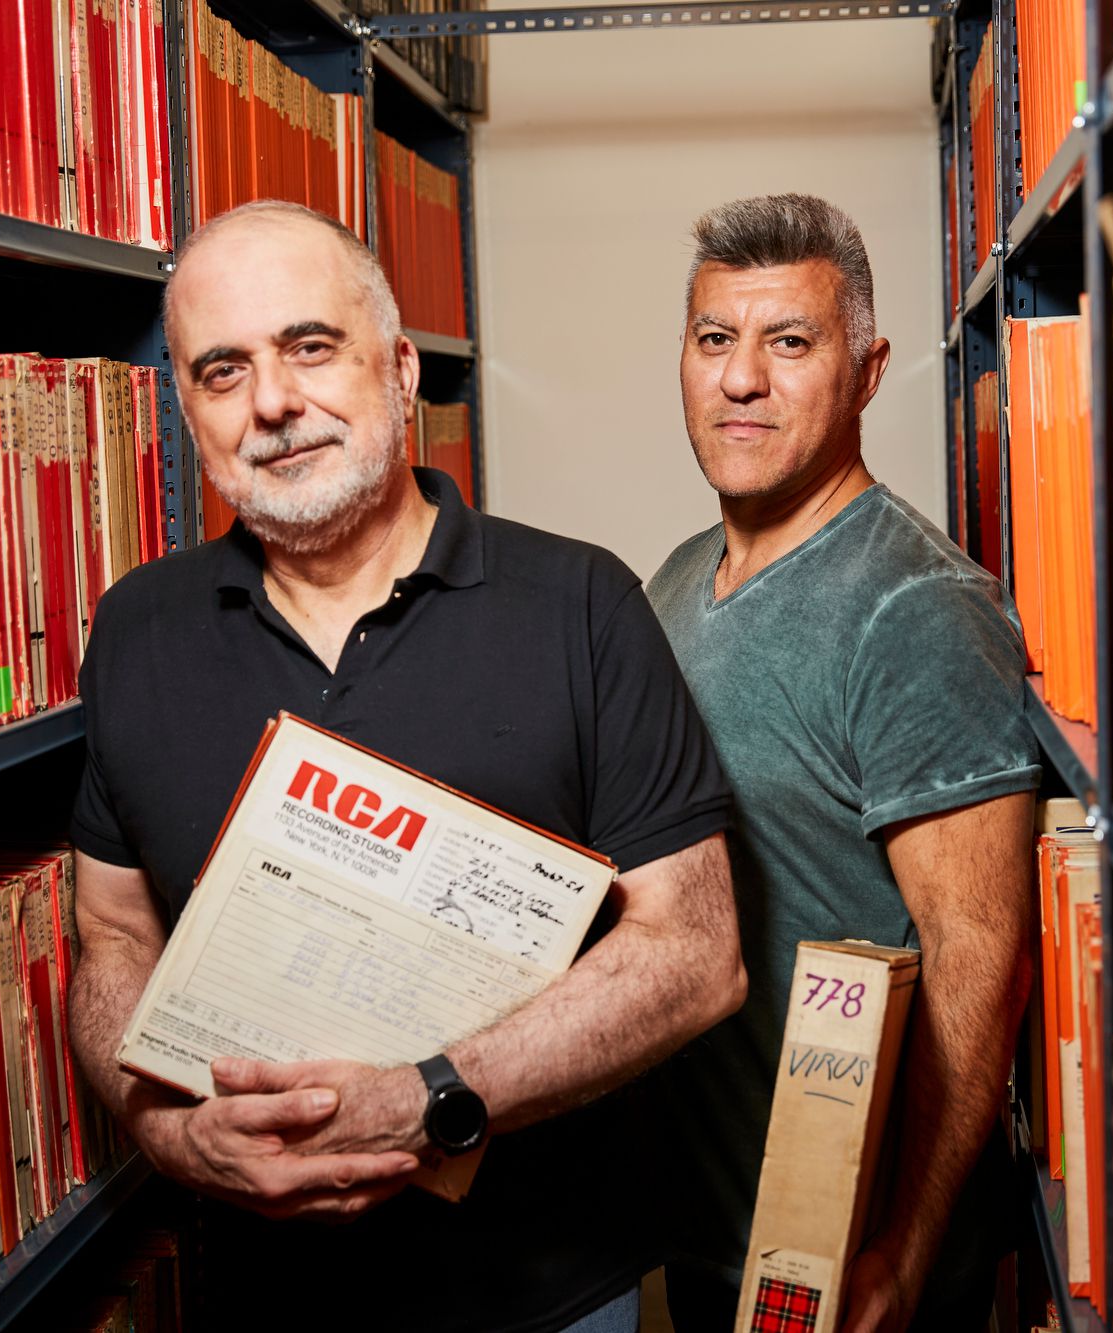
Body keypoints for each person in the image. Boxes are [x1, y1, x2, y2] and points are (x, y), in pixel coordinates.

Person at [66, 198, 746, 1333]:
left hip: (548, 1295)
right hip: (258, 1297)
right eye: (223, 371)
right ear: (186, 408)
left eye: (309, 347)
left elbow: (696, 951)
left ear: (399, 369)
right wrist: (170, 1133)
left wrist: (427, 1097)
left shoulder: (579, 606)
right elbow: (114, 934)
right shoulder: (137, 630)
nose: (272, 403)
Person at [646, 194, 1040, 1333]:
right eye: (714, 338)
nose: (740, 379)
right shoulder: (676, 578)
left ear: (865, 373)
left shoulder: (915, 610)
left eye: (789, 342)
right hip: (714, 1233)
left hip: (848, 1260)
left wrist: (904, 1253)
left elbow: (980, 954)